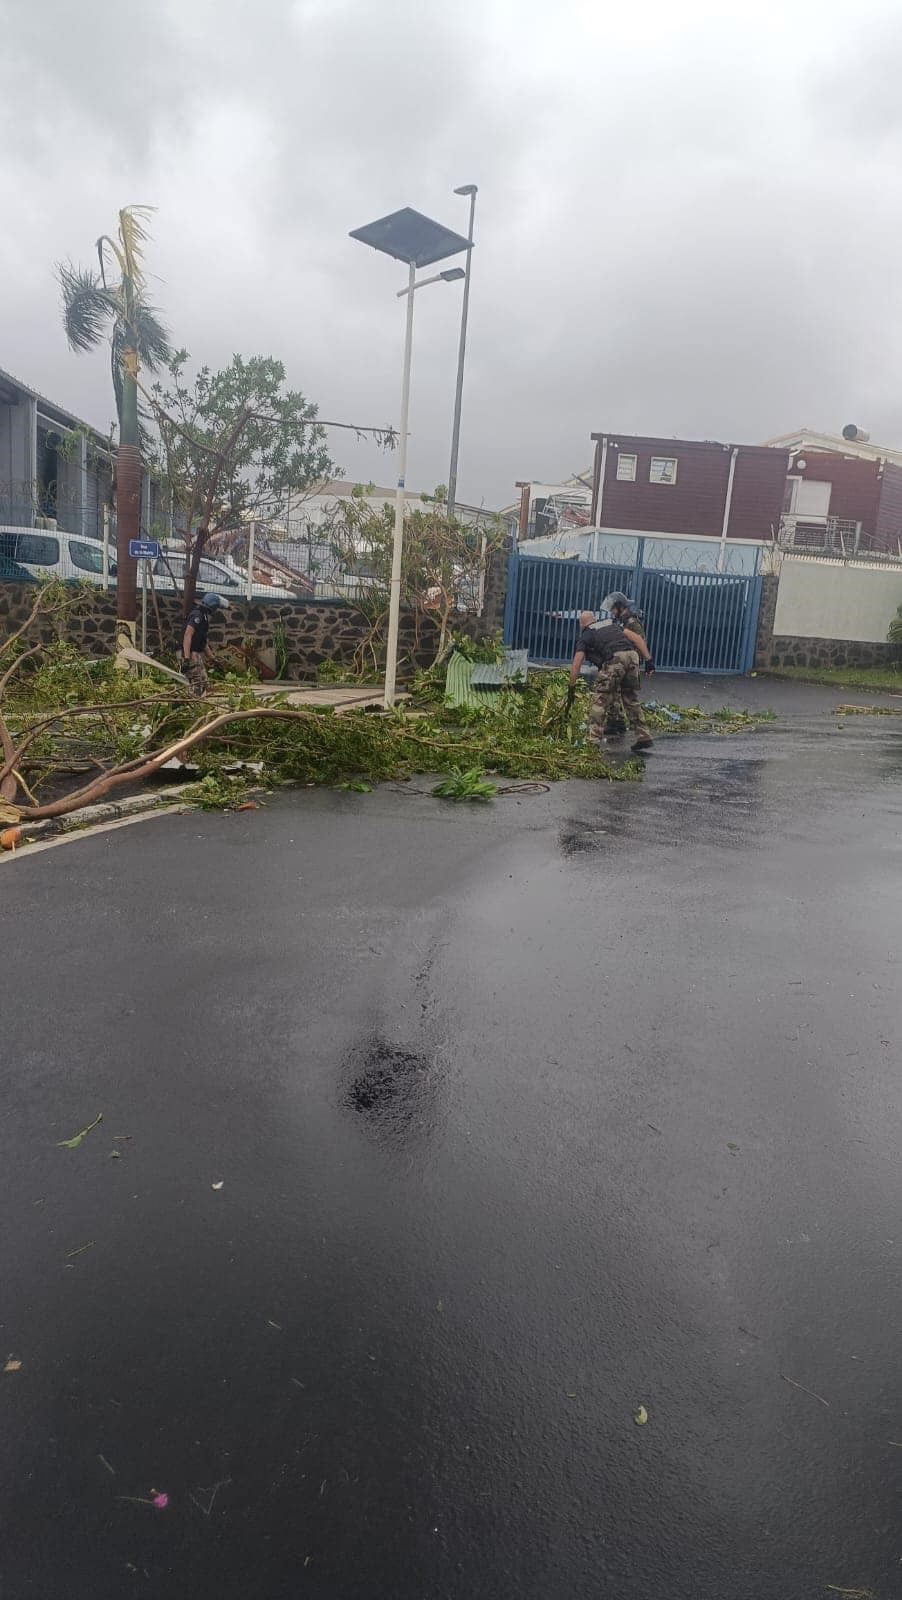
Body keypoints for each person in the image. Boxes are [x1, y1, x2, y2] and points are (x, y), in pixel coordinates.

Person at [567, 609, 655, 753]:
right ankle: (643, 736)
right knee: (630, 698)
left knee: (600, 700)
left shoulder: (586, 635)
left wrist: (572, 686)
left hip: (615, 659)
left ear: (582, 625)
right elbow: (638, 639)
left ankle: (592, 741)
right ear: (594, 619)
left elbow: (577, 663)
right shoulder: (612, 625)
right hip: (632, 656)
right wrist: (649, 660)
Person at [600, 592, 645, 735]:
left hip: (629, 662)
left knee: (624, 694)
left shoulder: (632, 623)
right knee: (615, 691)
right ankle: (616, 721)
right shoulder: (622, 622)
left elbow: (640, 642)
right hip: (622, 661)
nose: (612, 612)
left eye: (613, 609)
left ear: (620, 607)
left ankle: (632, 726)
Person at [181, 592, 230, 696]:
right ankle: (192, 704)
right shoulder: (197, 615)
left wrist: (213, 659)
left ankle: (198, 702)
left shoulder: (204, 617)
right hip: (190, 653)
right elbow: (187, 635)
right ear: (213, 606)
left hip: (196, 654)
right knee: (198, 684)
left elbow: (203, 641)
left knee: (205, 683)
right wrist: (186, 658)